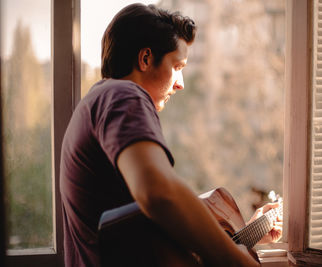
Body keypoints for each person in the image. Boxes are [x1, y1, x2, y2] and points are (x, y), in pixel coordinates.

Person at [60, 3, 282, 267]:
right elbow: (158, 193)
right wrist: (237, 261)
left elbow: (146, 244)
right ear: (145, 59)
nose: (181, 83)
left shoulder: (98, 101)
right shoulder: (124, 95)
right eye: (177, 66)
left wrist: (248, 234)